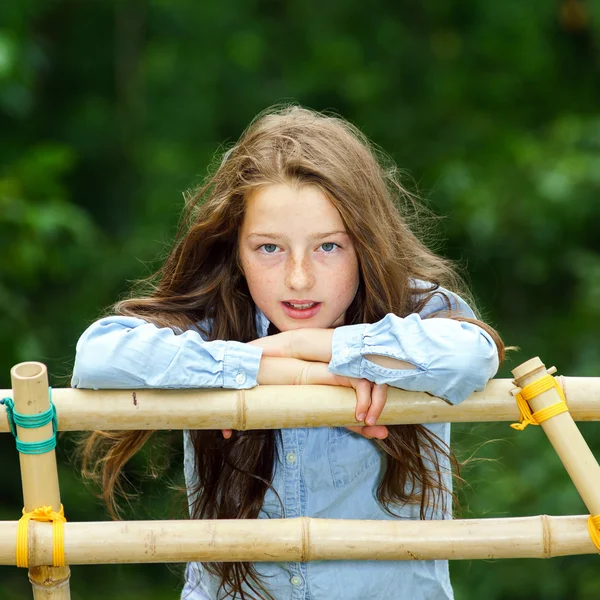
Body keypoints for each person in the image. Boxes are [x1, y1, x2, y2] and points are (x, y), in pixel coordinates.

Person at [72, 104, 505, 600]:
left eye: (328, 247)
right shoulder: (217, 324)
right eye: (269, 249)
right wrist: (263, 367)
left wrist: (308, 344)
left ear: (367, 242)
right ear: (235, 247)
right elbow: (97, 355)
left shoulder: (416, 316)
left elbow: (472, 354)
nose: (299, 278)